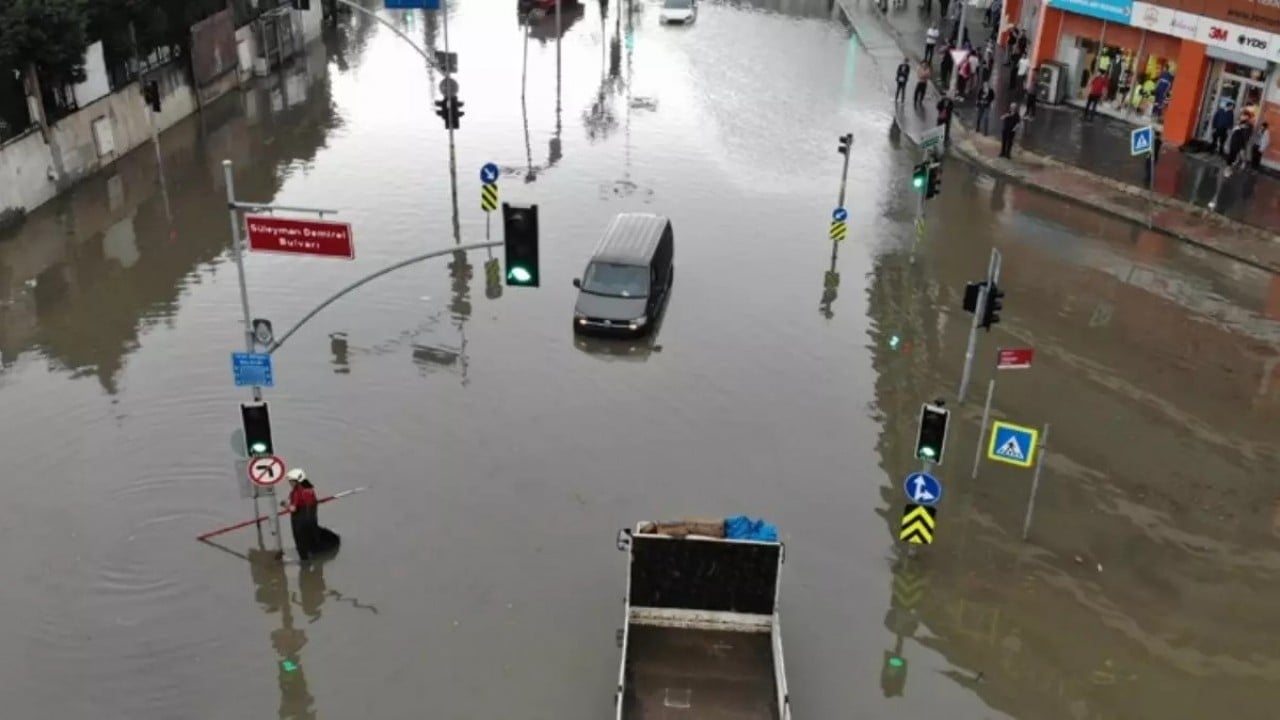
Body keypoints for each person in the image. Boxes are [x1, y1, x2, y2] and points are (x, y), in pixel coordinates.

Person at [284, 469, 319, 560]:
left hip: (300, 522)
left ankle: (305, 567)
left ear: (296, 481)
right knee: (312, 542)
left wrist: (285, 505)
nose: (290, 483)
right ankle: (317, 566)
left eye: (291, 481)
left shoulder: (298, 492)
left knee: (301, 546)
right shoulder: (309, 489)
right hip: (312, 520)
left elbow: (293, 508)